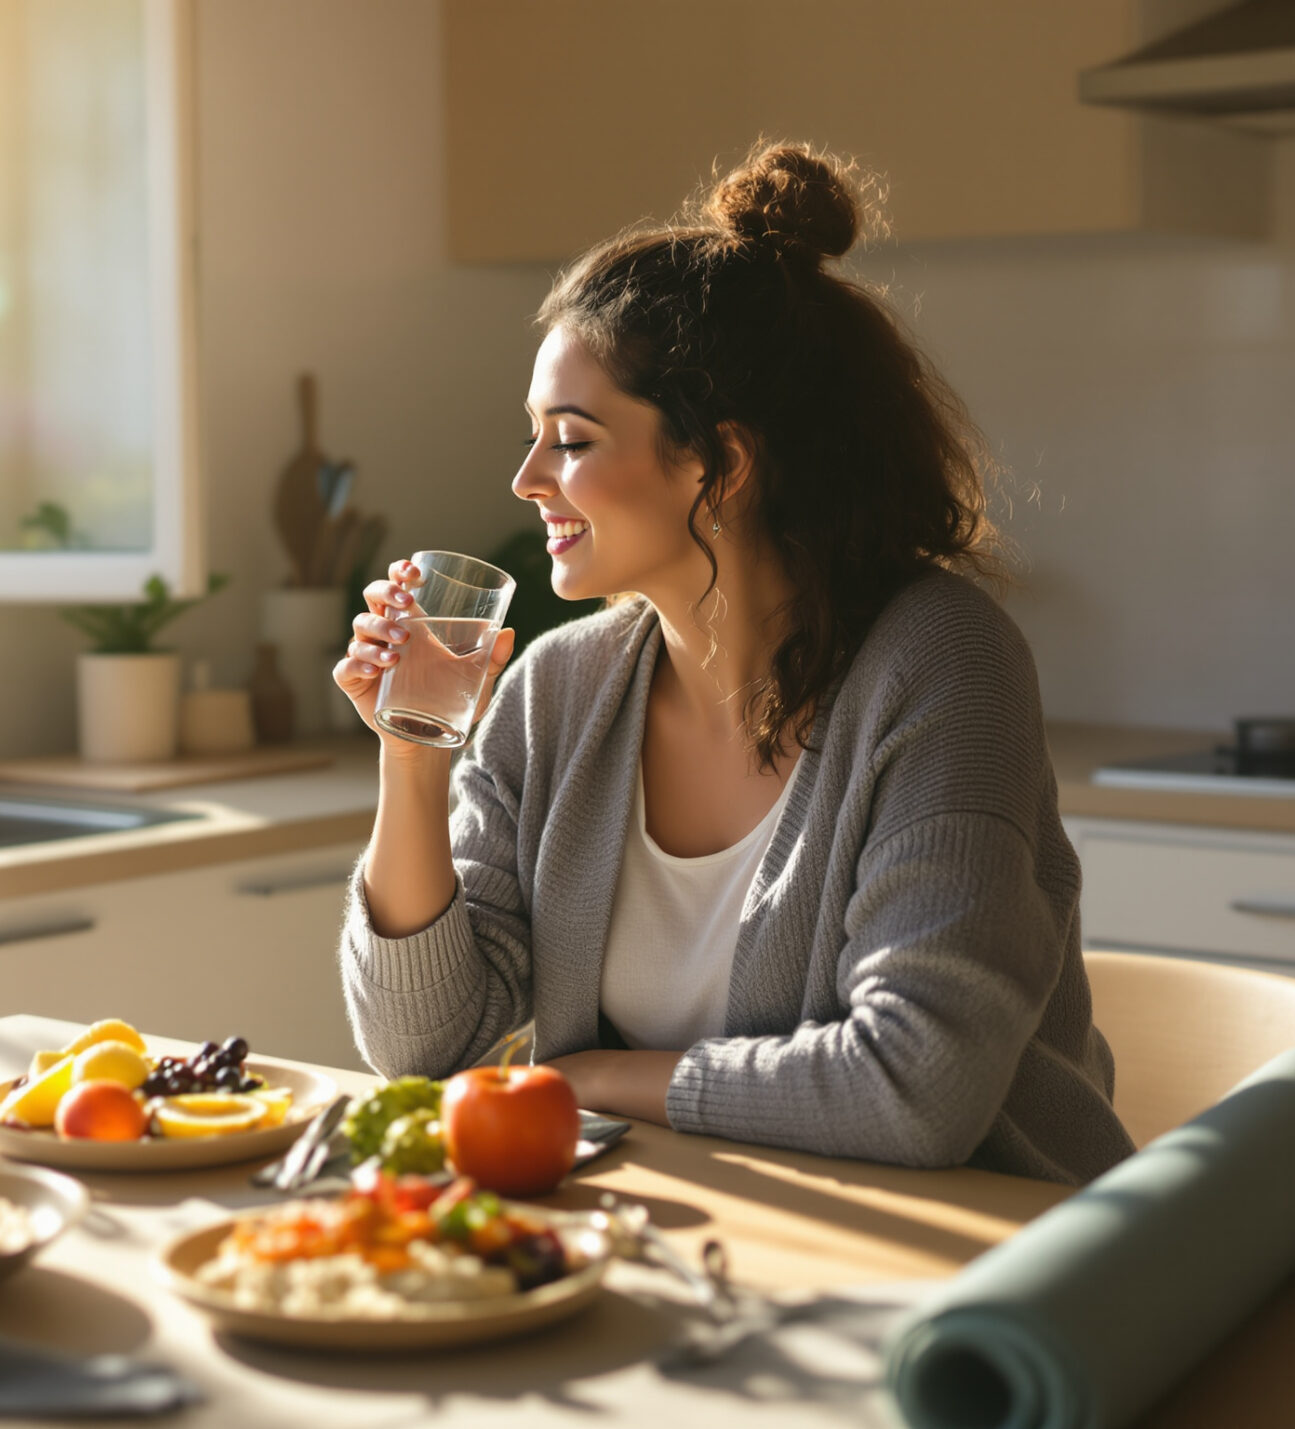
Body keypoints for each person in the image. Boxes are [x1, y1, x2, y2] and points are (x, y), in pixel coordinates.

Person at [331, 142, 1134, 1185]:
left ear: (721, 464)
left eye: (569, 439)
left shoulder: (941, 665)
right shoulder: (555, 693)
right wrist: (414, 753)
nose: (527, 478)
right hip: (703, 1229)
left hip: (976, 1260)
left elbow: (918, 1090)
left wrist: (593, 1079)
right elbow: (422, 1046)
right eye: (534, 437)